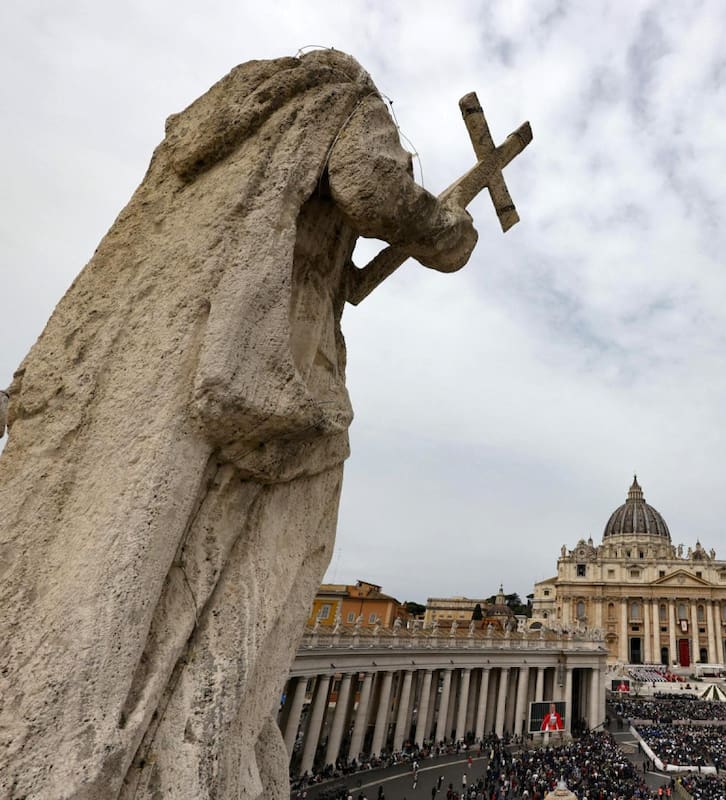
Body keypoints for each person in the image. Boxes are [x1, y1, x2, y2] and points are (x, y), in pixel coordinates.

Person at [0, 49, 476, 800]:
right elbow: (370, 184)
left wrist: (382, 253)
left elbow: (341, 271)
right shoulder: (347, 95)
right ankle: (191, 745)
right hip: (261, 367)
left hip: (173, 348)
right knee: (268, 555)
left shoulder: (230, 141)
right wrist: (445, 230)